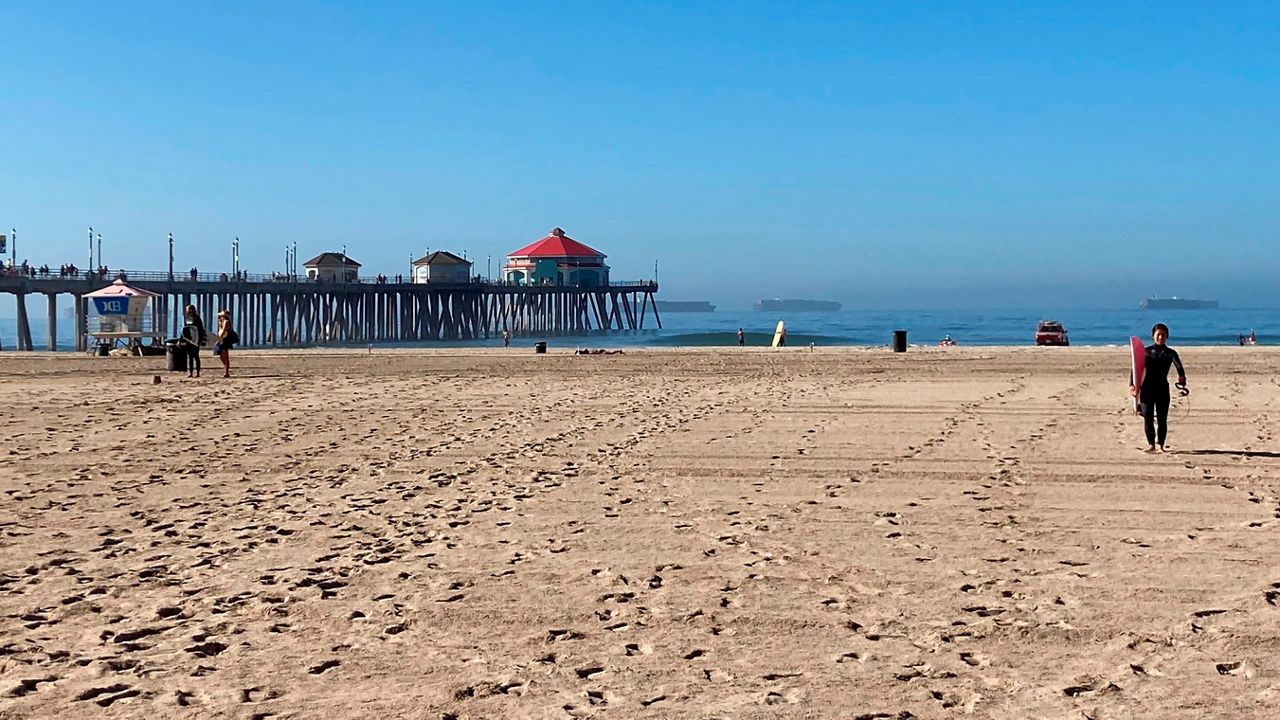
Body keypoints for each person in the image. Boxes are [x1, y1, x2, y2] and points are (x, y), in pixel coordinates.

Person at [1130, 322, 1187, 453]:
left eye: (1163, 335)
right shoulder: (1146, 352)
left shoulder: (1170, 353)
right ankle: (1151, 445)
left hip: (1162, 389)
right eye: (1158, 335)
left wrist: (1182, 378)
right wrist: (1132, 385)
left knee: (1162, 419)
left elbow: (1179, 367)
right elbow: (1135, 369)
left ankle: (1160, 444)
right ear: (1153, 336)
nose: (1161, 337)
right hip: (1146, 389)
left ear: (1167, 336)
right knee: (1148, 418)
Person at [181, 305, 207, 377]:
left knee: (196, 356)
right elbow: (184, 330)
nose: (187, 311)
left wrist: (201, 340)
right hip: (188, 340)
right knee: (190, 357)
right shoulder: (187, 318)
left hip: (196, 339)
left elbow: (201, 330)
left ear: (192, 310)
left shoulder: (197, 318)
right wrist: (180, 340)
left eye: (188, 309)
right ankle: (191, 372)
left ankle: (198, 372)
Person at [215, 309, 237, 378]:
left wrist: (219, 339)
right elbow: (219, 330)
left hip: (225, 339)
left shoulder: (227, 322)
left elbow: (224, 330)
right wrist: (218, 337)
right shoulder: (220, 321)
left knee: (225, 355)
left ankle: (226, 372)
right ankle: (225, 368)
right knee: (221, 355)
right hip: (221, 338)